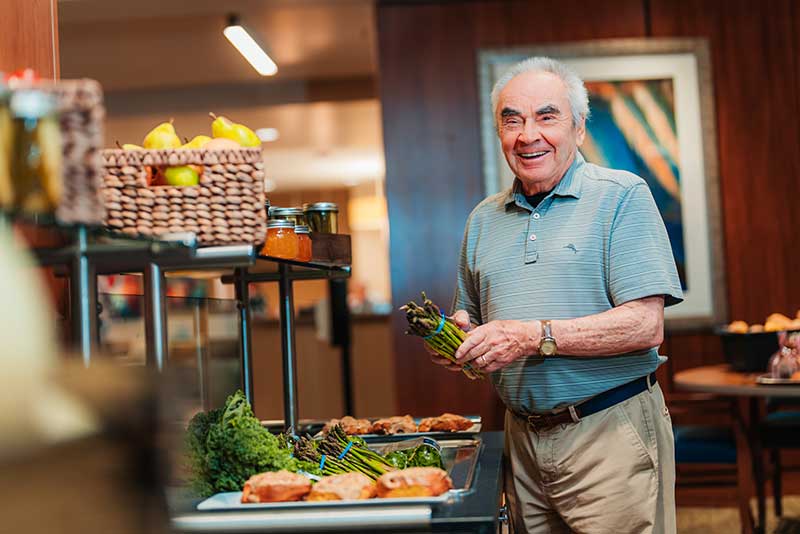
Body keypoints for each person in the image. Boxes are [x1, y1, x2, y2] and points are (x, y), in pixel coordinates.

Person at [435, 57, 683, 533]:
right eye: (512, 120)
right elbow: (471, 318)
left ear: (580, 129)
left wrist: (533, 336)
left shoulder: (622, 195)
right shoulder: (483, 219)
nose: (528, 135)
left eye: (547, 117)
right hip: (521, 439)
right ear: (500, 133)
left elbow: (644, 325)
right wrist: (457, 342)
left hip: (609, 432)